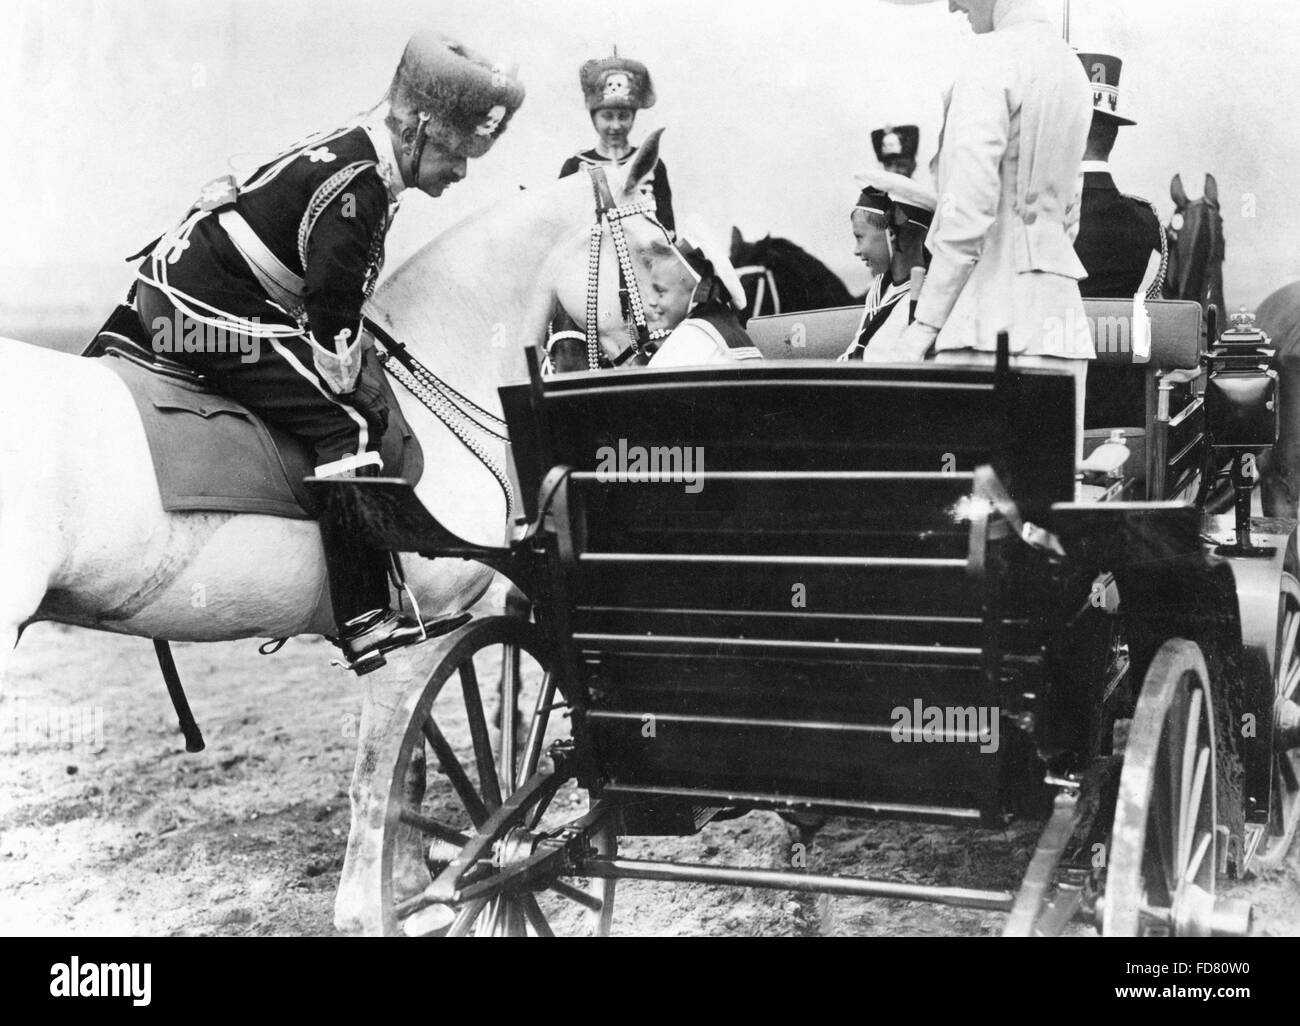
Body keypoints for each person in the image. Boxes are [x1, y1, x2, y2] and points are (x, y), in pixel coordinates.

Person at [129, 31, 525, 674]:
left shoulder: (357, 149)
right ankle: (364, 616)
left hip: (179, 282)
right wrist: (344, 361)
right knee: (349, 420)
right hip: (200, 309)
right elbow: (333, 313)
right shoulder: (362, 186)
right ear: (420, 131)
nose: (461, 170)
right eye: (456, 152)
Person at [887, 0, 1095, 458]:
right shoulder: (1072, 69)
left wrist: (922, 328)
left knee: (971, 518)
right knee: (1049, 510)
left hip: (984, 330)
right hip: (1060, 324)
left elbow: (966, 215)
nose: (952, 5)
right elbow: (1070, 213)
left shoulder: (989, 58)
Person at [1073, 51, 1166, 428]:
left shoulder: (1039, 215)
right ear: (1111, 135)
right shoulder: (1147, 222)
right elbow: (1151, 317)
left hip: (1046, 407)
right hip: (1124, 415)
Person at [558, 50, 675, 234]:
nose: (615, 125)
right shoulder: (575, 165)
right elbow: (564, 228)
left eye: (623, 116)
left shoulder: (652, 166)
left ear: (633, 117)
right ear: (594, 118)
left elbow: (667, 229)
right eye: (607, 116)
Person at [839, 169, 937, 359]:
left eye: (859, 237)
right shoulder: (882, 287)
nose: (856, 250)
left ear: (891, 233)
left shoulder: (922, 300)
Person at [648, 228, 762, 366]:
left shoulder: (687, 340)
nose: (651, 301)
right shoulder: (729, 330)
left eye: (660, 291)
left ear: (694, 290)